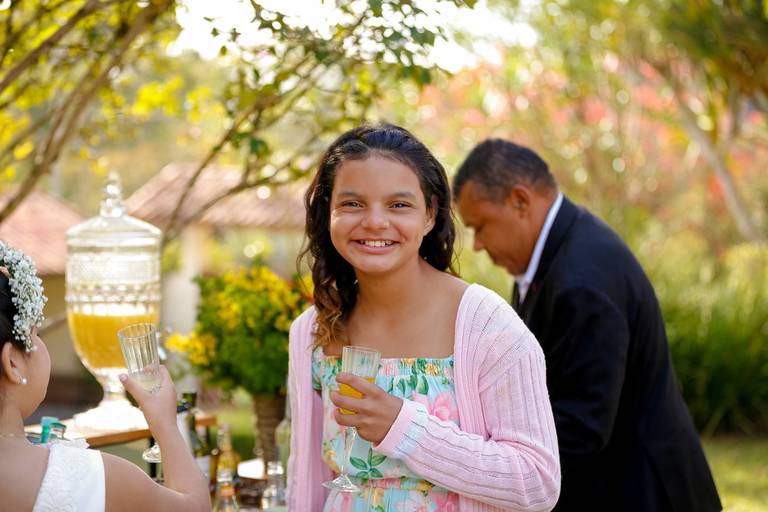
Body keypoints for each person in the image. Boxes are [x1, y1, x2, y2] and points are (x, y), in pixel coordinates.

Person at [287, 123, 560, 512]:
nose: (374, 222)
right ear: (327, 211)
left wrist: (405, 429)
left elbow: (538, 483)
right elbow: (306, 482)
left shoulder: (486, 324)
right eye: (353, 204)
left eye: (398, 205)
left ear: (430, 214)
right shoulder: (312, 330)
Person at [453, 138, 722, 512]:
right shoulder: (557, 254)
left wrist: (494, 469)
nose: (477, 245)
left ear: (520, 201)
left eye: (480, 226)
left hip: (645, 494)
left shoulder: (582, 281)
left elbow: (581, 425)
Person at [0, 241, 210, 511]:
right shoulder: (91, 478)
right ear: (12, 363)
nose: (41, 343)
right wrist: (165, 424)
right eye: (35, 334)